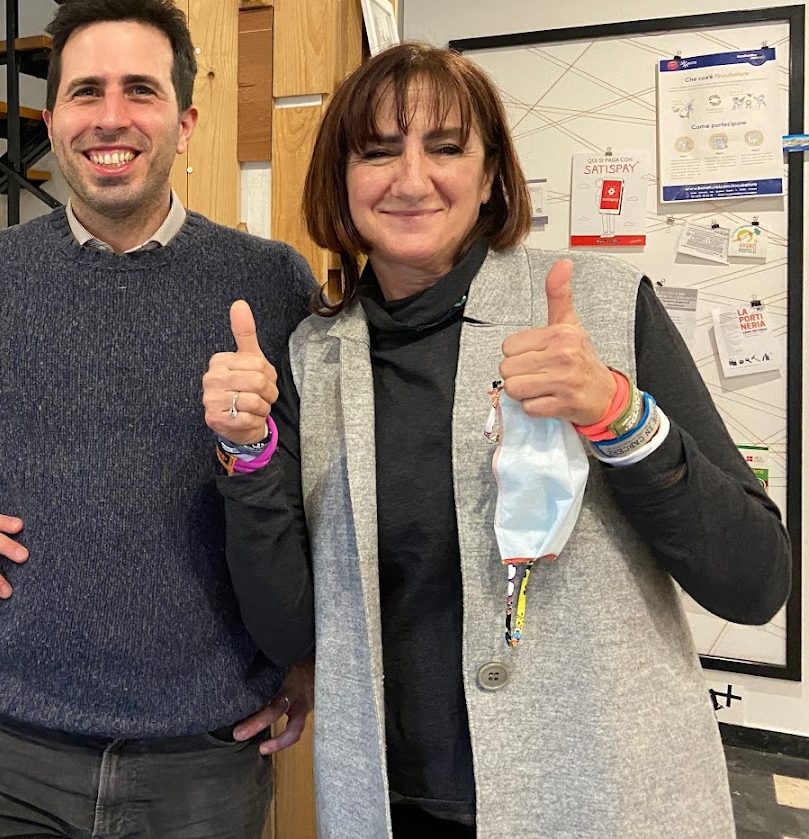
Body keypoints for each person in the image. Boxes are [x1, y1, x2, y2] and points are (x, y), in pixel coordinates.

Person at [205, 41, 793, 838]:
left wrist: (617, 415)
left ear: (490, 177)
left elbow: (755, 583)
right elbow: (292, 631)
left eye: (446, 148)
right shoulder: (313, 357)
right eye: (377, 152)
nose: (412, 179)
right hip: (394, 806)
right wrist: (248, 458)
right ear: (341, 182)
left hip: (603, 800)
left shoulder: (604, 308)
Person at [0, 0, 321, 839]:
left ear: (185, 122)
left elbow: (324, 492)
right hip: (5, 757)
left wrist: (311, 655)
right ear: (53, 121)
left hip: (202, 765)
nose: (111, 118)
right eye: (86, 92)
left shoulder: (270, 282)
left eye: (141, 91)